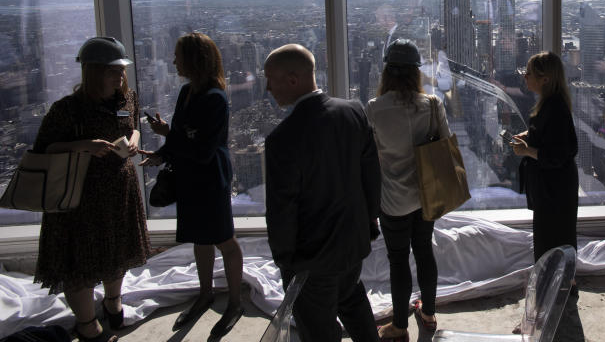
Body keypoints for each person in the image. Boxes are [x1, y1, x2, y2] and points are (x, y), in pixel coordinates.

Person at [33, 36, 151, 342]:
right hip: (79, 198)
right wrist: (84, 146)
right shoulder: (68, 110)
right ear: (93, 72)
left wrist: (135, 138)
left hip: (118, 191)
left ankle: (113, 301)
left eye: (121, 70)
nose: (120, 76)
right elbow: (43, 149)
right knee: (80, 263)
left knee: (118, 252)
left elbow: (132, 125)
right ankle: (87, 324)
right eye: (113, 71)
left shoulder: (127, 100)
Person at [263, 44, 381, 342]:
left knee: (318, 329)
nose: (267, 88)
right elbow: (371, 178)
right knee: (351, 299)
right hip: (353, 242)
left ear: (292, 80)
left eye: (271, 79)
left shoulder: (283, 138)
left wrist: (286, 261)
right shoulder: (353, 112)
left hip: (311, 257)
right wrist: (368, 226)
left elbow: (282, 209)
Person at [140, 32, 245, 337]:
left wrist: (167, 136)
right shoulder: (187, 93)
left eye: (178, 55)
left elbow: (202, 148)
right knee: (201, 238)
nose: (173, 61)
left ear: (193, 60)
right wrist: (162, 153)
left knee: (224, 238)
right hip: (191, 174)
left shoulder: (215, 98)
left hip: (210, 176)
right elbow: (185, 137)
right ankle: (205, 294)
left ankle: (235, 303)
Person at [366, 39, 448, 341]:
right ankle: (428, 315)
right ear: (416, 73)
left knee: (398, 260)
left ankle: (399, 327)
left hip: (393, 200)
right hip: (427, 197)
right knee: (425, 252)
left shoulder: (374, 109)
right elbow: (446, 145)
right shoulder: (432, 105)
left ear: (387, 73)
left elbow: (368, 159)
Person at [511, 51, 584, 342]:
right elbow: (550, 140)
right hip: (554, 190)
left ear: (545, 78)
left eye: (528, 73)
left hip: (555, 192)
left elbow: (561, 153)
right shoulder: (551, 104)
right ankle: (561, 294)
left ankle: (541, 310)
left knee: (547, 247)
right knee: (557, 242)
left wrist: (526, 150)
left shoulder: (555, 108)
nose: (524, 77)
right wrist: (528, 137)